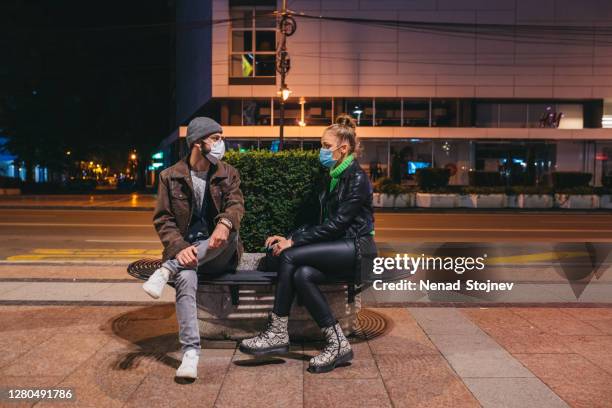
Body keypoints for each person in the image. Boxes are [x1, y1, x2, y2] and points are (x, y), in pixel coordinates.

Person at [239, 114, 377, 374]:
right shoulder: (332, 177)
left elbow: (337, 225)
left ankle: (278, 331)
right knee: (303, 275)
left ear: (343, 149)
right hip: (339, 248)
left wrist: (293, 242)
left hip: (358, 248)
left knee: (290, 257)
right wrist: (289, 236)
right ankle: (338, 343)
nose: (322, 151)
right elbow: (318, 222)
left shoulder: (356, 179)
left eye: (326, 145)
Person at [143, 117, 244, 379]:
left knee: (228, 235)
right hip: (187, 252)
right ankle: (190, 353)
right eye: (216, 138)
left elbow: (235, 205)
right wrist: (179, 247)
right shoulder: (170, 176)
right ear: (199, 143)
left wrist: (224, 223)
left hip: (220, 251)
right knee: (186, 278)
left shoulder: (228, 173)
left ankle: (166, 270)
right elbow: (163, 219)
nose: (222, 144)